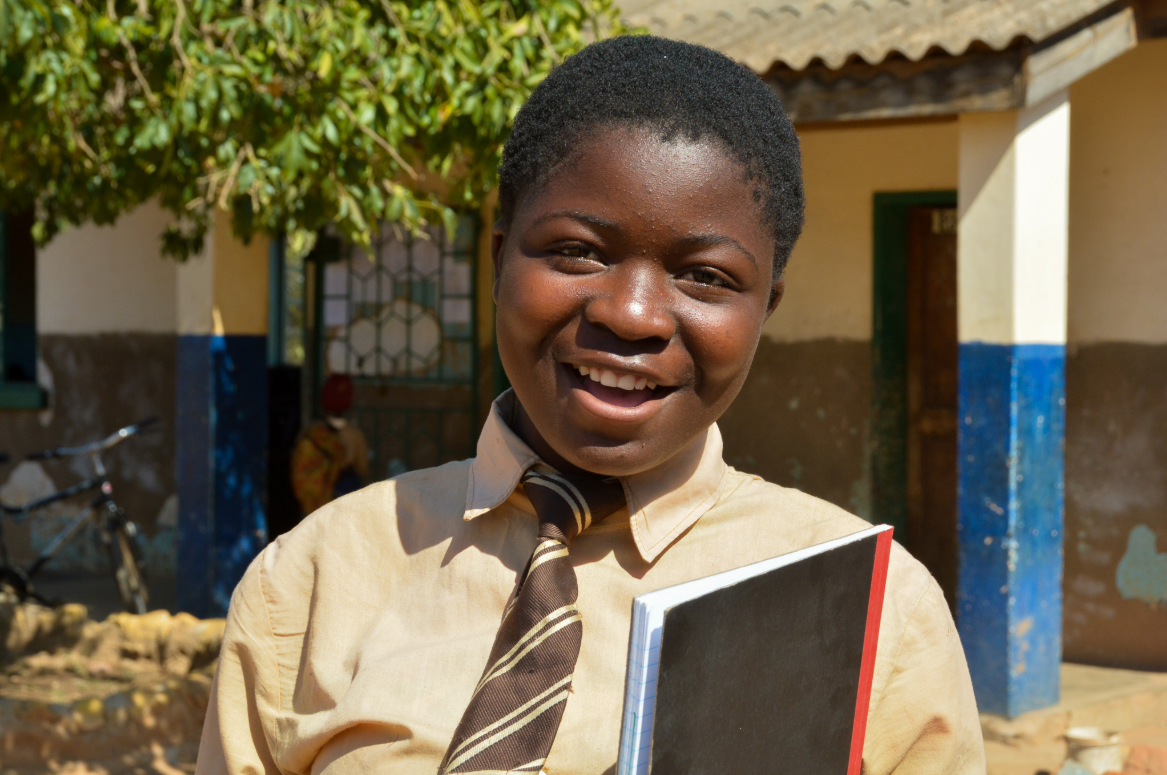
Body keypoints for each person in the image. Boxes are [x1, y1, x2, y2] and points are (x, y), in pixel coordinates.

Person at [198, 36, 985, 775]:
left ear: (765, 306)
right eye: (576, 250)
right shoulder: (311, 581)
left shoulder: (869, 616)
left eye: (705, 276)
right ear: (498, 255)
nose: (632, 313)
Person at [290, 374, 370, 516]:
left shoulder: (310, 432)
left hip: (315, 507)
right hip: (344, 503)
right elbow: (363, 468)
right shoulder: (355, 435)